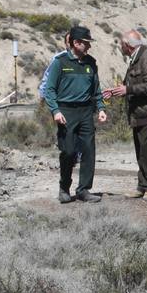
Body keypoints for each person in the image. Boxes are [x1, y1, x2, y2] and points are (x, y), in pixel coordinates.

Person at [40, 26, 108, 204]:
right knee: (68, 151)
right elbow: (49, 90)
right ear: (76, 43)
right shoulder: (60, 62)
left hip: (86, 111)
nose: (89, 46)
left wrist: (101, 108)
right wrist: (55, 111)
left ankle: (84, 189)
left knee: (88, 151)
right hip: (66, 112)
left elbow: (96, 90)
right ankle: (64, 187)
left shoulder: (91, 63)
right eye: (86, 43)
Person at [104, 30, 147, 200]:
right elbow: (135, 82)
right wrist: (116, 91)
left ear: (127, 45)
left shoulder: (146, 57)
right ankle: (142, 186)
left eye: (121, 44)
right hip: (141, 113)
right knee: (141, 150)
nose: (120, 47)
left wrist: (129, 89)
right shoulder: (137, 57)